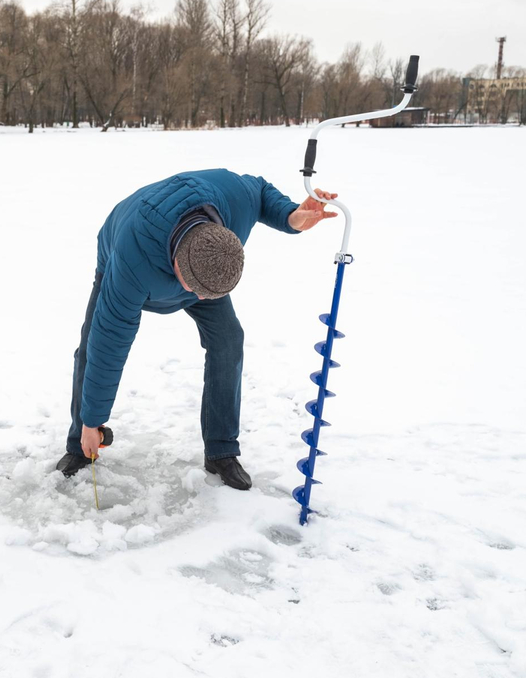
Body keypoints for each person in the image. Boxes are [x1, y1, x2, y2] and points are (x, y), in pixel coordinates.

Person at [56, 169, 338, 489]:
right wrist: (93, 421)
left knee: (229, 338)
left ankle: (221, 451)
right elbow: (108, 346)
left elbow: (258, 191)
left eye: (210, 293)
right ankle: (80, 443)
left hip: (200, 264)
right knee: (91, 344)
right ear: (180, 268)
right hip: (127, 247)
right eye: (200, 291)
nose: (203, 299)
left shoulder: (233, 200)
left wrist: (289, 216)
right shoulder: (131, 264)